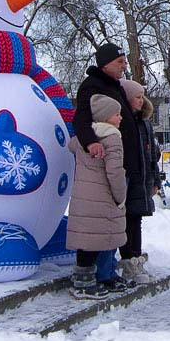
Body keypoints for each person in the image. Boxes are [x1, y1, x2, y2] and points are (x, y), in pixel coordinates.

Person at [72, 42, 142, 292]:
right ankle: (94, 274)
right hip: (105, 168)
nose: (125, 66)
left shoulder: (115, 86)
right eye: (120, 62)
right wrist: (91, 141)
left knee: (112, 224)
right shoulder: (93, 86)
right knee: (100, 223)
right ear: (106, 63)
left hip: (122, 164)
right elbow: (80, 118)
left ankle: (107, 273)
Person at [66, 94, 127, 299]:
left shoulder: (84, 139)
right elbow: (115, 172)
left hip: (82, 197)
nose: (120, 118)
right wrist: (120, 197)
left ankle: (81, 280)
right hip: (102, 197)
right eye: (117, 114)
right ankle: (85, 285)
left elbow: (72, 145)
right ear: (106, 117)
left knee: (86, 241)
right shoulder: (112, 139)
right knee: (98, 241)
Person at [118, 78, 161, 283]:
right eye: (137, 97)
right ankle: (129, 260)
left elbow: (152, 154)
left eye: (142, 97)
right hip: (130, 179)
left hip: (143, 180)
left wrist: (156, 181)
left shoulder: (144, 123)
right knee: (128, 221)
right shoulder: (124, 123)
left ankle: (136, 258)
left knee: (137, 220)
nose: (141, 101)